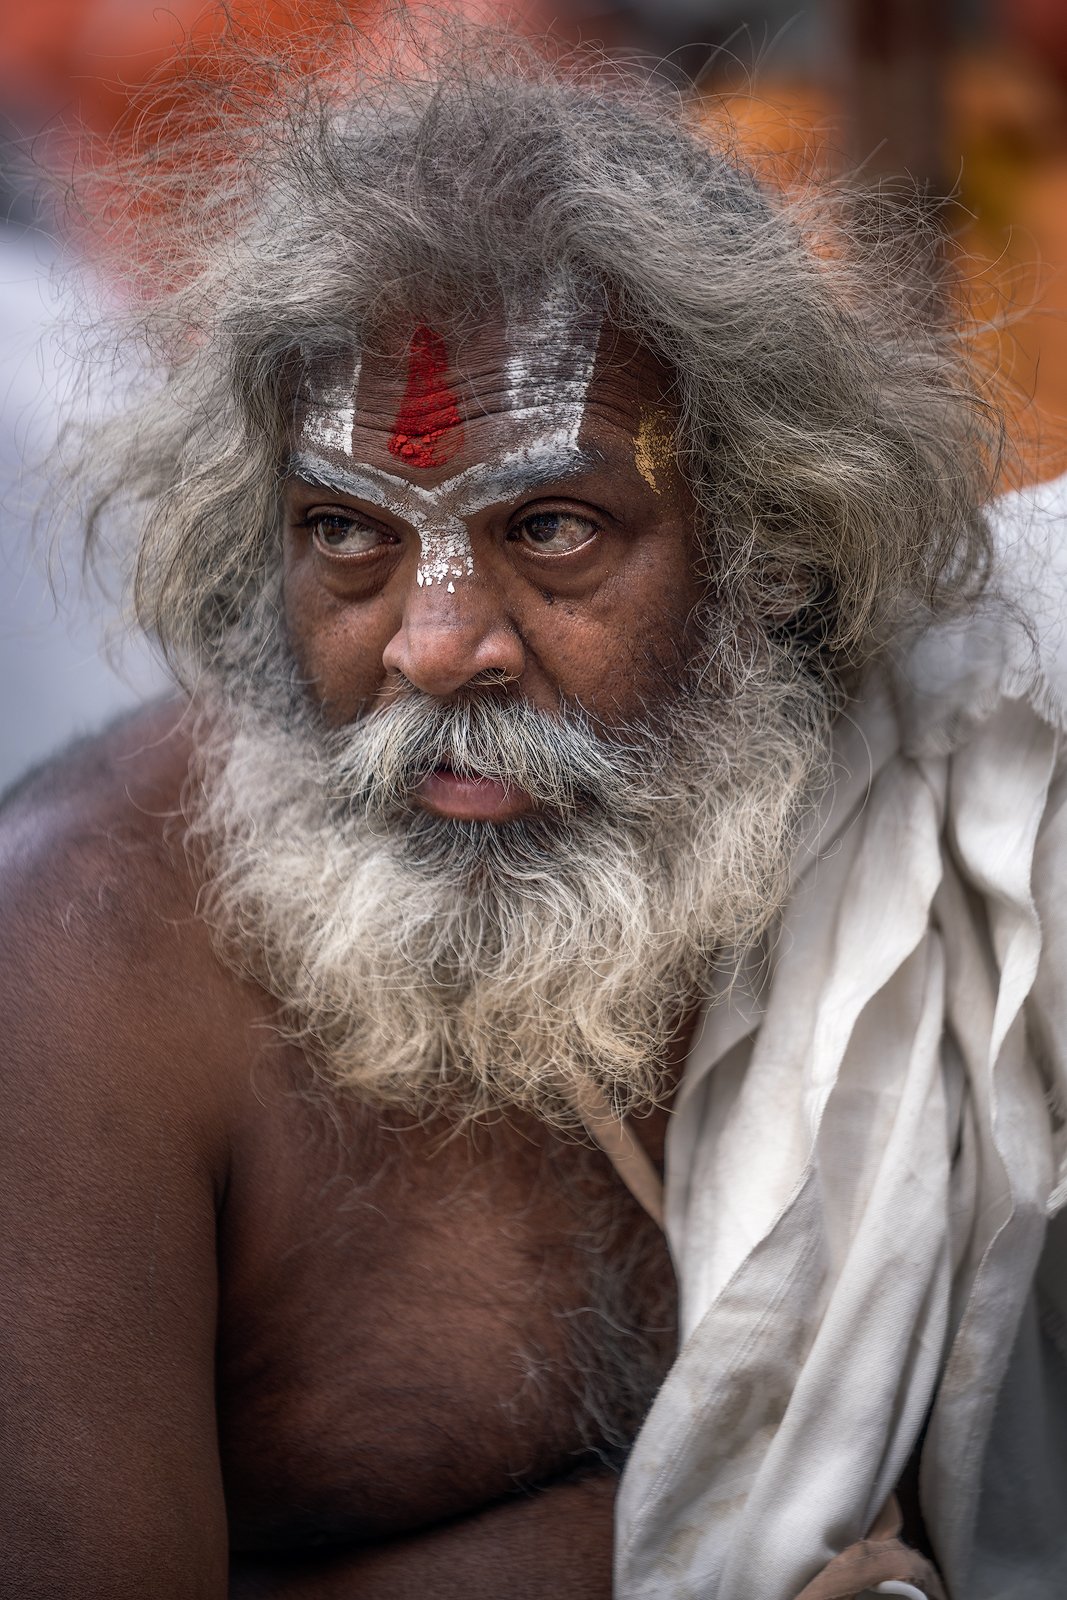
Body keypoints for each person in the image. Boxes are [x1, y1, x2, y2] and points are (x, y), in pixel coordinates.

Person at [3, 26, 1066, 1600]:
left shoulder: (924, 821)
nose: (435, 645)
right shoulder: (83, 977)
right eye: (348, 537)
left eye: (553, 527)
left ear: (763, 545)